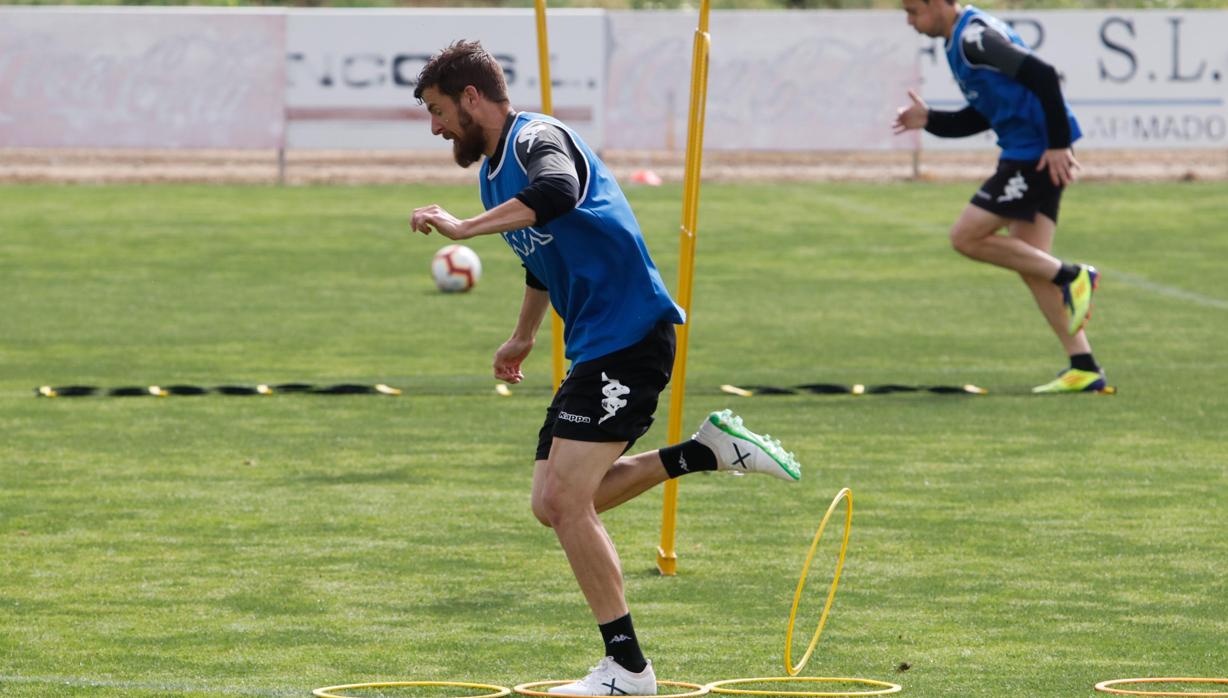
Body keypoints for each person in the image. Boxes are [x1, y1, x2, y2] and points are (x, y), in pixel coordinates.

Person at [409, 40, 803, 696]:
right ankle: (706, 453)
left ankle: (627, 669)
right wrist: (522, 337)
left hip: (632, 335)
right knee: (554, 503)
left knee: (566, 501)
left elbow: (559, 192)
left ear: (472, 98)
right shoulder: (491, 173)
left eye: (438, 109)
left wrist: (464, 228)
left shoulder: (538, 139)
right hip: (599, 345)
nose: (435, 127)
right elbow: (540, 259)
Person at [894, 0, 1108, 393]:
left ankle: (1073, 275)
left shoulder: (975, 38)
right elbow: (983, 114)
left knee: (965, 236)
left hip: (1036, 158)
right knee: (1032, 263)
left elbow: (1044, 75)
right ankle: (1084, 366)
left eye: (913, 11)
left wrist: (1059, 145)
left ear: (939, 4)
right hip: (1027, 153)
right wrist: (931, 120)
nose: (910, 21)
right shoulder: (961, 40)